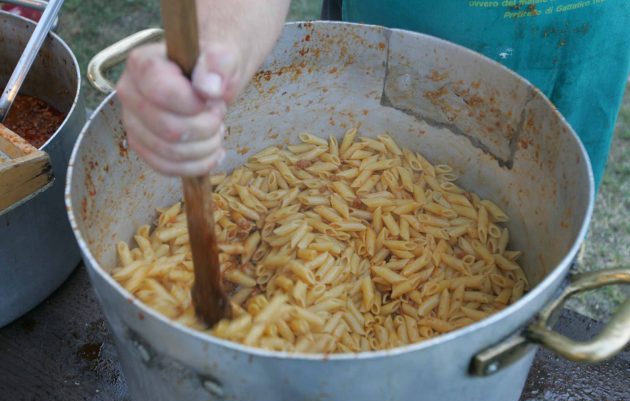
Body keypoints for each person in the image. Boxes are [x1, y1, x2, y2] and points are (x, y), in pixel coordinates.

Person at [117, 0, 629, 191]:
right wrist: (217, 51)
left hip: (581, 60)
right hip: (391, 54)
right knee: (377, 169)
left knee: (552, 196)